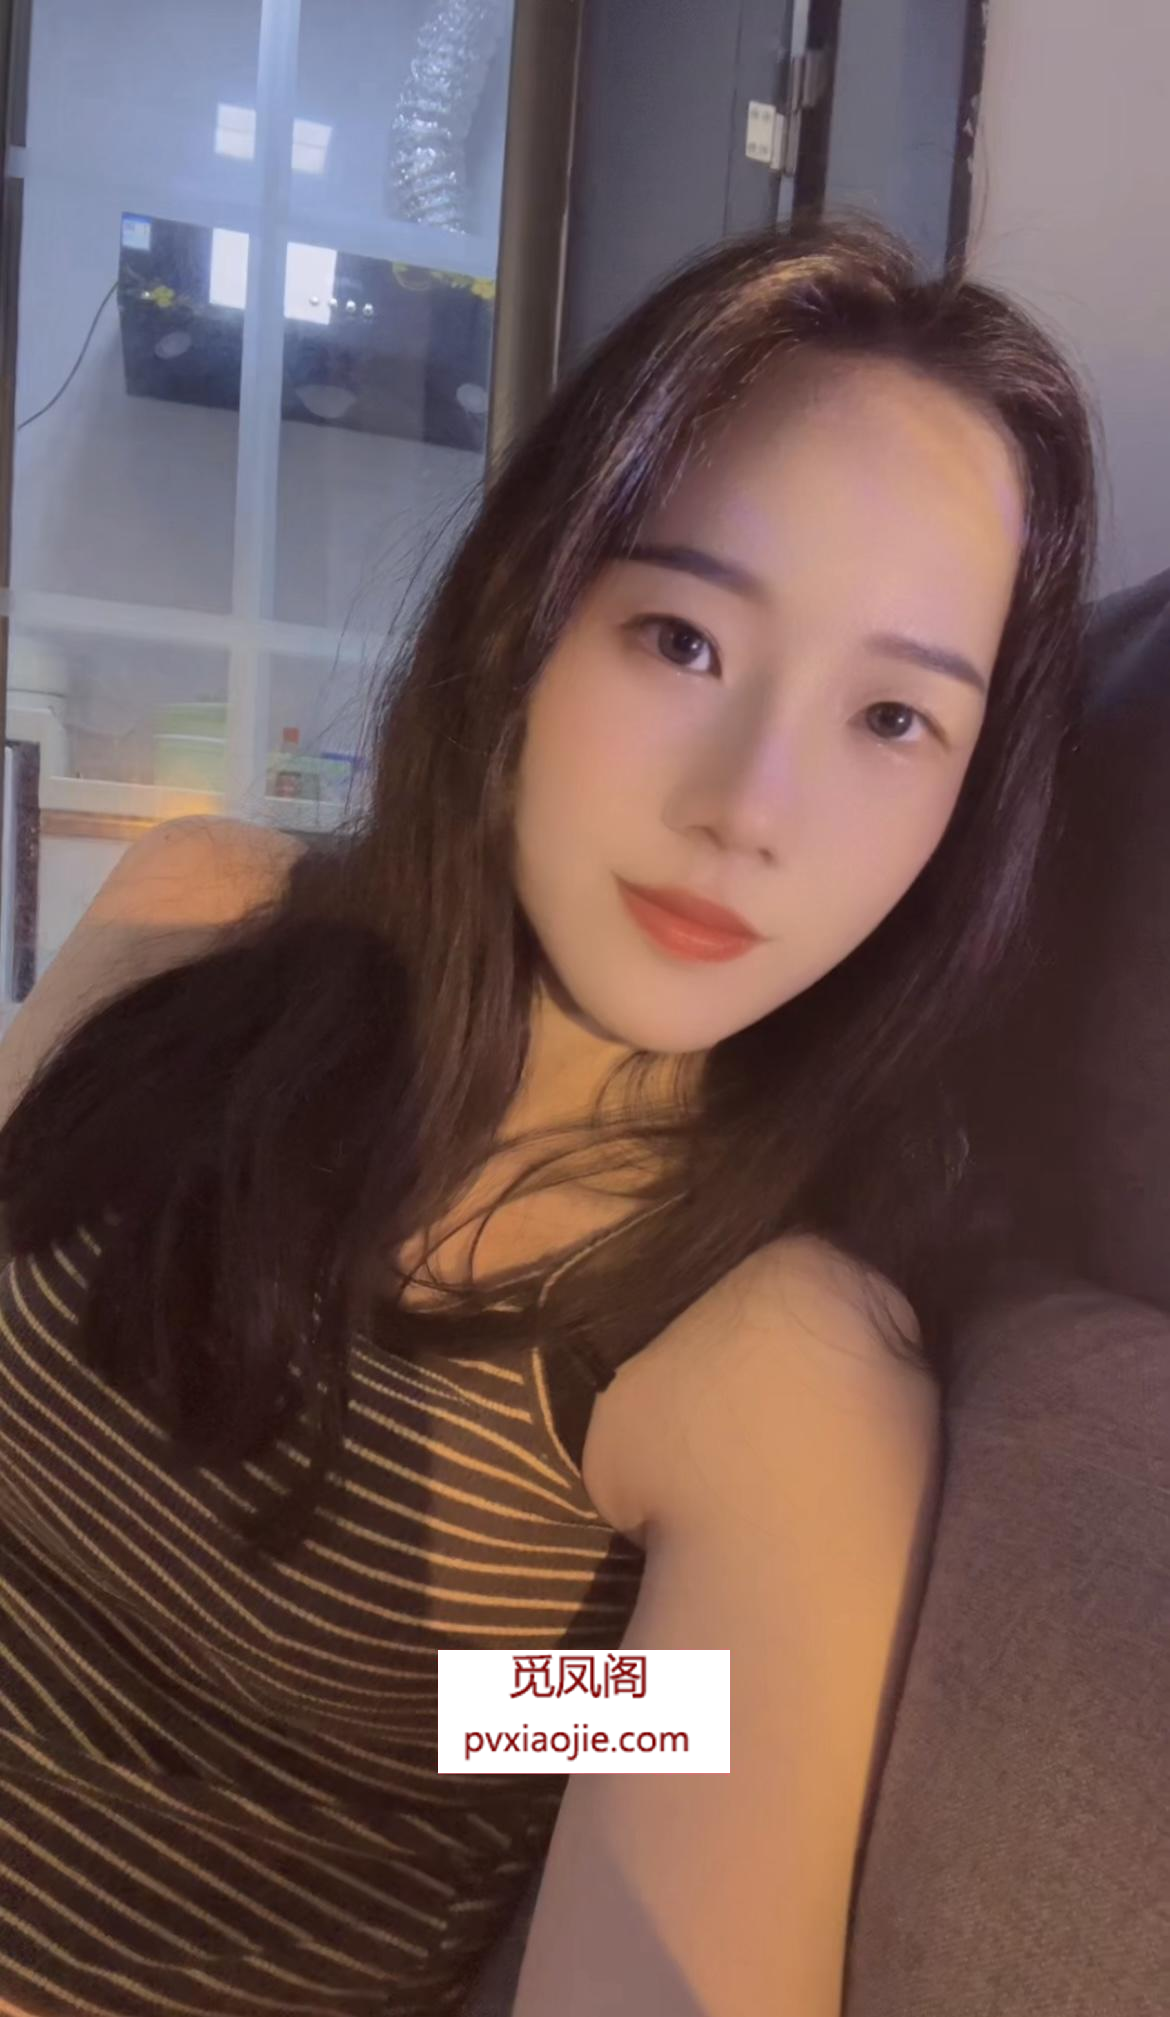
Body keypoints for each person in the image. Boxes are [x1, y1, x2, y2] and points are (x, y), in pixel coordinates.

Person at [0, 218, 1095, 2017]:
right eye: (680, 637)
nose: (749, 809)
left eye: (893, 719)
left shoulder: (761, 1378)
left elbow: (597, 1748)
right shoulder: (192, 914)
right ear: (526, 613)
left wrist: (460, 1688)